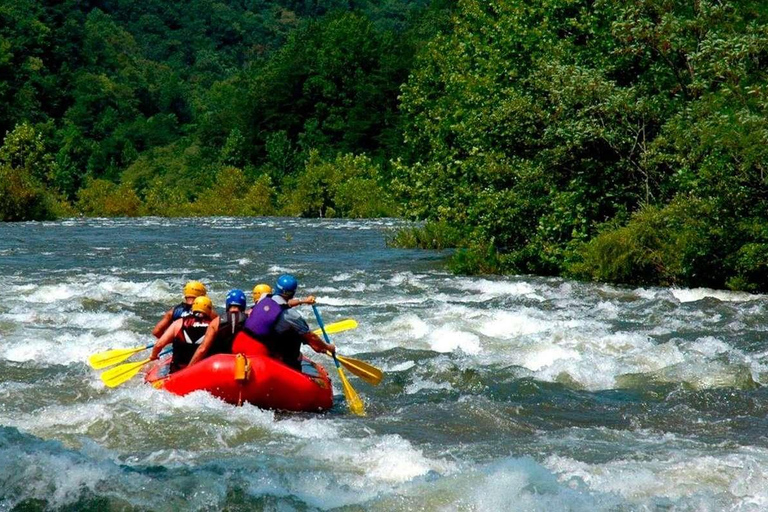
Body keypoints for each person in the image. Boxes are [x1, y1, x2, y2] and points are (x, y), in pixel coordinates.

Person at [241, 274, 334, 371]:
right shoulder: (292, 315)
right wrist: (328, 347)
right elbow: (313, 339)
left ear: (276, 288)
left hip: (244, 344)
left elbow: (283, 303)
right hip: (268, 355)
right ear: (293, 293)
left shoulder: (264, 297)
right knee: (295, 333)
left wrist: (303, 301)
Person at [150, 296, 215, 373]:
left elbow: (159, 344)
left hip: (178, 371)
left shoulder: (179, 322)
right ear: (210, 310)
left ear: (193, 308)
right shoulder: (214, 325)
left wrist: (154, 356)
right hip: (202, 370)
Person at [187, 289, 248, 366]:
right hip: (241, 363)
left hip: (220, 364)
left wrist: (188, 368)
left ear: (227, 304)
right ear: (243, 304)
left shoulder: (216, 322)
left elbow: (202, 349)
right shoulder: (249, 319)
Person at [152, 280, 217, 338]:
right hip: (202, 347)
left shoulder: (173, 312)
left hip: (181, 347)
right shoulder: (208, 312)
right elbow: (221, 330)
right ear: (202, 295)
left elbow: (156, 332)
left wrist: (172, 340)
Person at [247, 282, 316, 315]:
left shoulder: (249, 312)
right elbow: (287, 303)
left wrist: (304, 301)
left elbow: (288, 303)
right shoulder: (272, 305)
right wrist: (305, 301)